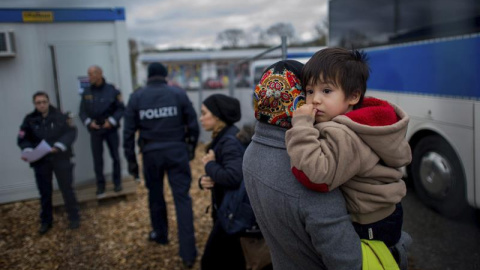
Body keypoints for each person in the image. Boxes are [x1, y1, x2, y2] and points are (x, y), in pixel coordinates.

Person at [285, 48, 411, 248]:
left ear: (353, 96)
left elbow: (316, 176)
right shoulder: (362, 121)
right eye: (310, 91)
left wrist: (301, 126)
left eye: (326, 91)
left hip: (370, 222)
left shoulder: (345, 134)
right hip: (385, 213)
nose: (315, 99)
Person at [243, 60, 362, 270]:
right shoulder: (306, 171)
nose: (317, 100)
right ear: (299, 103)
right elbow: (348, 261)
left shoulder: (251, 152)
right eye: (309, 91)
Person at [123, 62, 199, 269]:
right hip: (176, 151)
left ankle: (161, 235)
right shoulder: (178, 94)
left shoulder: (137, 97)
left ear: (148, 76)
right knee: (182, 199)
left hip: (151, 154)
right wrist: (190, 148)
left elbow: (128, 133)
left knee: (155, 195)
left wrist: (132, 163)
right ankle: (188, 253)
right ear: (165, 76)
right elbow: (193, 123)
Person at [17, 91, 80, 235]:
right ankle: (46, 221)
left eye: (44, 102)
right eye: (38, 103)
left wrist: (58, 146)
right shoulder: (29, 120)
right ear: (35, 104)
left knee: (67, 189)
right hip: (41, 160)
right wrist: (27, 150)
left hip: (60, 157)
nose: (41, 105)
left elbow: (71, 132)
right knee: (44, 192)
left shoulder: (59, 116)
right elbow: (23, 138)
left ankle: (74, 217)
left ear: (48, 102)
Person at [197, 94, 248, 270]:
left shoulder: (229, 141)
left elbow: (234, 177)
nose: (201, 118)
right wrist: (204, 180)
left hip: (231, 215)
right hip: (228, 212)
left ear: (217, 116)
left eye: (204, 113)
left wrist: (209, 165)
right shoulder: (225, 136)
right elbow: (223, 174)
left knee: (210, 262)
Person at [79, 65, 125, 197]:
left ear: (99, 74)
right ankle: (100, 186)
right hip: (95, 130)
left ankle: (117, 183)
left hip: (110, 129)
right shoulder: (86, 92)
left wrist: (111, 121)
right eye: (88, 74)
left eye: (92, 74)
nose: (89, 77)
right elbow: (82, 112)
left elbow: (121, 108)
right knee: (97, 159)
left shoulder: (112, 90)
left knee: (115, 156)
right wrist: (89, 123)